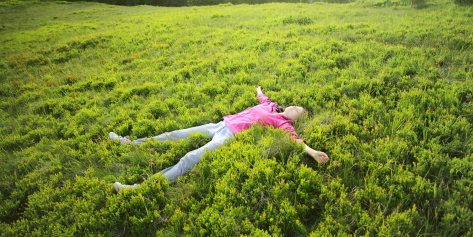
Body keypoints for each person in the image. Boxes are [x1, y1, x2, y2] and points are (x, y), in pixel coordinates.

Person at [109, 85, 329, 192]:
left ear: (295, 119)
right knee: (173, 134)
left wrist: (313, 152)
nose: (293, 107)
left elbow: (296, 142)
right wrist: (258, 88)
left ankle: (138, 188)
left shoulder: (284, 124)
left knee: (189, 158)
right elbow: (261, 96)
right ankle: (129, 143)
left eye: (297, 110)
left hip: (229, 136)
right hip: (221, 124)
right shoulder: (269, 105)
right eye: (295, 105)